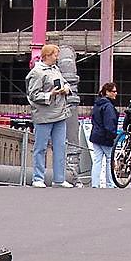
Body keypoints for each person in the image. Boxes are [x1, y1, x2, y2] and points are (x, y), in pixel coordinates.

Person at [26, 43, 73, 188]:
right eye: (55, 55)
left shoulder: (55, 69)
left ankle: (59, 179)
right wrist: (50, 94)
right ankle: (38, 178)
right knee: (41, 147)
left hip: (60, 114)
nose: (57, 58)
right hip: (44, 116)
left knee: (60, 147)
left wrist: (66, 88)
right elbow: (33, 94)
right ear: (47, 56)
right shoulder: (37, 72)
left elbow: (65, 83)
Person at [89, 83, 119, 188]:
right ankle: (110, 183)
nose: (116, 93)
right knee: (109, 159)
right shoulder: (108, 106)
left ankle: (95, 183)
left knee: (97, 160)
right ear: (107, 92)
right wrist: (112, 135)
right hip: (105, 136)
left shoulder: (97, 104)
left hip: (96, 135)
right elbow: (110, 123)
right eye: (113, 91)